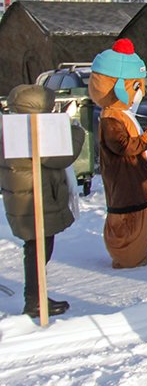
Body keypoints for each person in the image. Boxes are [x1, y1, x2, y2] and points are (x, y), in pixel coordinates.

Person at [0, 85, 85, 318]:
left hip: (23, 200)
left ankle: (35, 297)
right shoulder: (32, 130)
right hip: (35, 200)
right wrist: (75, 131)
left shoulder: (11, 127)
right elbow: (60, 156)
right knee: (38, 250)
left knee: (36, 249)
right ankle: (35, 301)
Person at [90, 40, 147, 269]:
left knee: (141, 214)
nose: (139, 93)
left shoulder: (120, 114)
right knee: (130, 217)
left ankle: (135, 253)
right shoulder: (112, 117)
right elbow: (123, 146)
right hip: (126, 180)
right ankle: (128, 255)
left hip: (132, 177)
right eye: (137, 87)